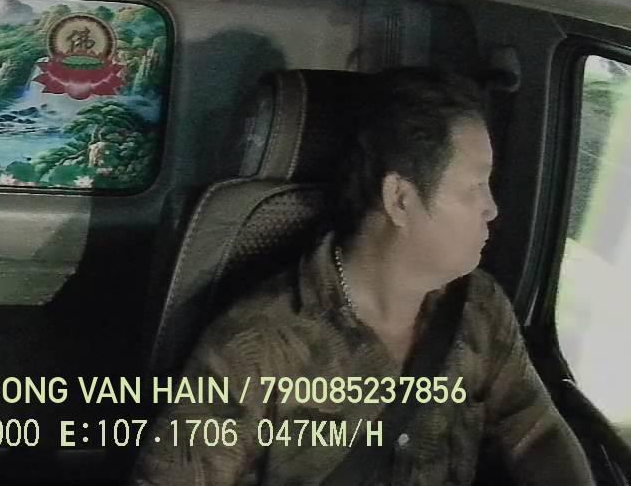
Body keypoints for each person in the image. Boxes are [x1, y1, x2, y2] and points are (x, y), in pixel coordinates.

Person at [131, 68, 595, 485]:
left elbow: (535, 433)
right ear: (400, 199)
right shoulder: (257, 344)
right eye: (474, 187)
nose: (491, 208)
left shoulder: (481, 307)